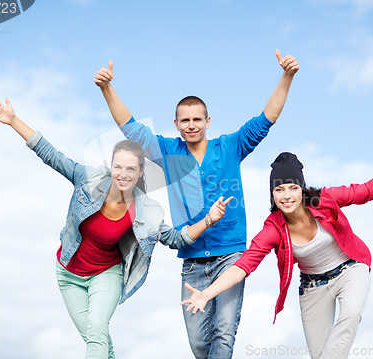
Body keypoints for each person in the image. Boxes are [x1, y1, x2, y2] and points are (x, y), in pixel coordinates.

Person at [0, 97, 233, 359]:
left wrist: (208, 220)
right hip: (68, 273)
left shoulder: (145, 211)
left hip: (106, 273)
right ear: (111, 166)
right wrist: (13, 120)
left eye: (131, 169)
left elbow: (176, 238)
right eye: (118, 167)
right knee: (98, 339)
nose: (123, 174)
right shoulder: (90, 180)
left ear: (141, 172)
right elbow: (52, 155)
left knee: (96, 332)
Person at [93, 51, 299, 358]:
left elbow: (266, 119)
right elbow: (131, 127)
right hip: (192, 262)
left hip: (230, 256)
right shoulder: (168, 151)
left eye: (197, 119)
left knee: (224, 334)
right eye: (185, 120)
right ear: (176, 123)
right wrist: (106, 88)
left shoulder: (229, 146)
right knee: (200, 344)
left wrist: (287, 76)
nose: (191, 125)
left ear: (207, 121)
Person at [181, 151, 373, 359]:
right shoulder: (274, 227)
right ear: (273, 194)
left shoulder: (325, 200)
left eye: (292, 187)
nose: (287, 195)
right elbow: (244, 265)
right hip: (313, 288)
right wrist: (206, 293)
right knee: (321, 354)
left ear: (302, 188)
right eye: (279, 189)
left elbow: (368, 189)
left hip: (349, 271)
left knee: (351, 313)